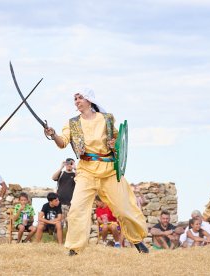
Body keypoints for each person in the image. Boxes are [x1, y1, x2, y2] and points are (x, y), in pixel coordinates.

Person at [44, 88, 148, 255]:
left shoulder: (106, 119)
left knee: (123, 208)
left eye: (80, 98)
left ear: (89, 100)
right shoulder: (73, 123)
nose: (76, 101)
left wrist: (115, 145)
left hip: (109, 170)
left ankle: (137, 241)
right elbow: (62, 142)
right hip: (87, 171)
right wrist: (53, 134)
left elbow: (118, 140)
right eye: (75, 99)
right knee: (77, 209)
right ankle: (74, 248)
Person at [51, 158, 76, 228]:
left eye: (71, 163)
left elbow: (80, 179)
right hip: (60, 203)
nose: (69, 165)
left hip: (71, 203)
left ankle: (69, 239)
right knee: (59, 223)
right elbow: (53, 178)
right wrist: (61, 167)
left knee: (71, 224)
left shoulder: (75, 174)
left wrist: (75, 168)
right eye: (68, 163)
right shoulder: (61, 173)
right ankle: (58, 238)